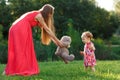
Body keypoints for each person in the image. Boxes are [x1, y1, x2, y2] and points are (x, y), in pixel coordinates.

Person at [3, 4, 64, 76]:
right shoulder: (39, 16)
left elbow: (47, 32)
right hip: (21, 28)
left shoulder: (36, 14)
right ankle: (19, 70)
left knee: (16, 50)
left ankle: (9, 70)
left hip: (14, 28)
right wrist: (58, 41)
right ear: (48, 13)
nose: (51, 16)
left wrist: (56, 42)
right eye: (51, 14)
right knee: (22, 50)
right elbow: (48, 30)